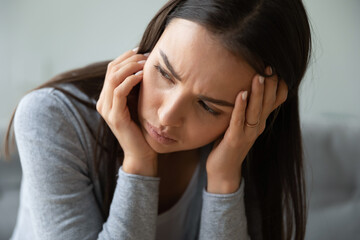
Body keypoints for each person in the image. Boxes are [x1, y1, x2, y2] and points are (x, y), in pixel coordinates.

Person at [5, 0, 311, 239]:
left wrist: (224, 178)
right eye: (164, 73)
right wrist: (139, 164)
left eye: (208, 107)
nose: (166, 116)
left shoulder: (244, 143)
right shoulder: (52, 118)